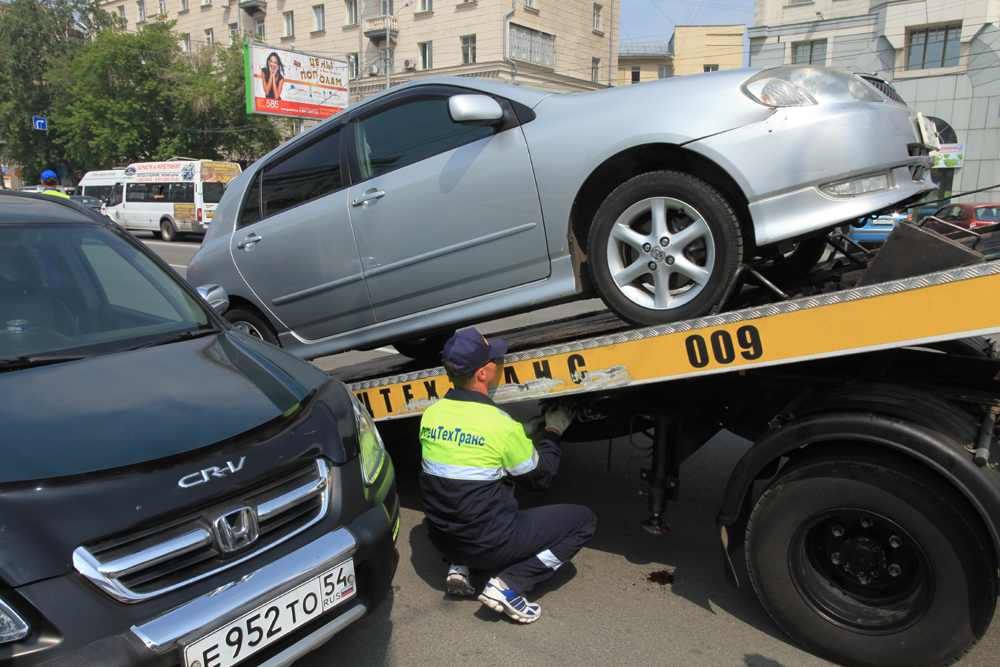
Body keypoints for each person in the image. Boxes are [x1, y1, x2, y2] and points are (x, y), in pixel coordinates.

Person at [419, 328, 597, 624]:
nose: (498, 362)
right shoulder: (500, 425)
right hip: (488, 546)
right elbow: (541, 479)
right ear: (482, 374)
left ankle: (461, 566)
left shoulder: (432, 414)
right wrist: (553, 431)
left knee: (457, 494)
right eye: (494, 360)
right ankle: (511, 584)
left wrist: (525, 431)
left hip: (444, 541)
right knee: (584, 521)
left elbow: (471, 448)